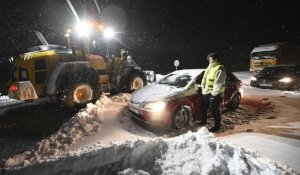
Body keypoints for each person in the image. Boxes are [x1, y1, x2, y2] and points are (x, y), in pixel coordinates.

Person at [200, 52, 226, 132]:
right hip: (206, 91)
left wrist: (213, 94)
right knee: (204, 107)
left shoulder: (220, 69)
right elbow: (205, 78)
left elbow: (218, 83)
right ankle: (204, 121)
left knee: (214, 109)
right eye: (209, 59)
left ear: (216, 59)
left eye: (211, 59)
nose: (209, 61)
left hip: (215, 93)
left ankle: (217, 126)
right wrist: (203, 87)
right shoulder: (209, 67)